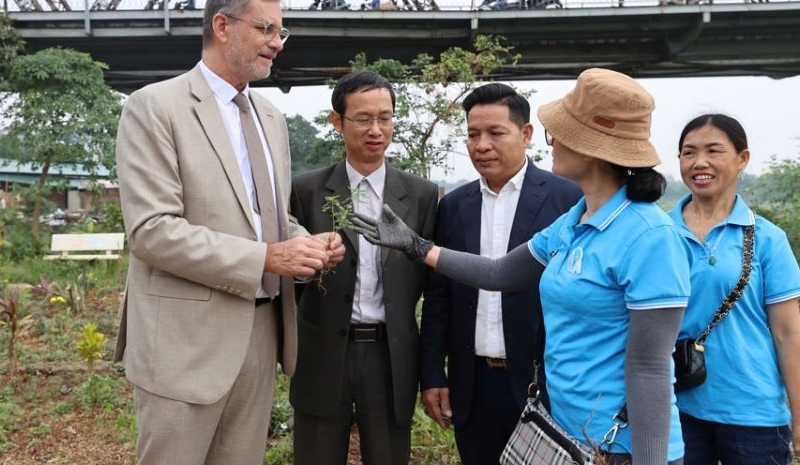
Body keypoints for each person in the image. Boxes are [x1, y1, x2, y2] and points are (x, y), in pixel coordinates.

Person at [351, 68, 692, 465]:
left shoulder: (650, 237)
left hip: (619, 447)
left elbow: (650, 367)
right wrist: (417, 246)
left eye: (558, 133)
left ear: (592, 147)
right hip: (564, 433)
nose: (553, 143)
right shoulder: (575, 221)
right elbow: (500, 274)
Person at [114, 0, 345, 465]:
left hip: (261, 336)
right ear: (222, 25)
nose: (277, 44)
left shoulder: (271, 118)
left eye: (282, 33)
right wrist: (267, 256)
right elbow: (152, 231)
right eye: (266, 29)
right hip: (185, 343)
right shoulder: (155, 107)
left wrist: (306, 244)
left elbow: (269, 217)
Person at [419, 83, 581, 464]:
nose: (482, 145)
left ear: (526, 135)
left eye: (495, 133)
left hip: (545, 382)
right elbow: (439, 297)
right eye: (473, 134)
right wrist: (433, 375)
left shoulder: (567, 199)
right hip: (473, 383)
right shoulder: (455, 205)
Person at [289, 70, 439, 465]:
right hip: (321, 351)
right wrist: (309, 266)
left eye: (385, 117)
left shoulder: (422, 195)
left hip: (390, 357)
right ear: (337, 121)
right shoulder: (306, 190)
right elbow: (288, 276)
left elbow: (431, 285)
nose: (376, 129)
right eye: (363, 118)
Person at [671, 114, 800, 465]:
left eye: (714, 150)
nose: (700, 162)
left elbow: (789, 334)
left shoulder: (767, 239)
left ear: (742, 159)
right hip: (675, 407)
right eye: (688, 152)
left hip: (753, 413)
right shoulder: (658, 235)